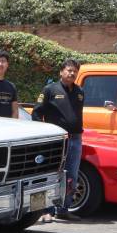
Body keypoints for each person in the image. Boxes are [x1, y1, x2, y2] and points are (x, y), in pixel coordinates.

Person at [32, 58, 85, 219]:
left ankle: (63, 210)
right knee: (49, 175)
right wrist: (43, 136)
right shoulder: (50, 90)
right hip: (55, 141)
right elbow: (36, 113)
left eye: (75, 71)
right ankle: (45, 211)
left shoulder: (80, 92)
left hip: (75, 139)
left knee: (71, 176)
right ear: (61, 72)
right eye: (69, 70)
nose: (72, 73)